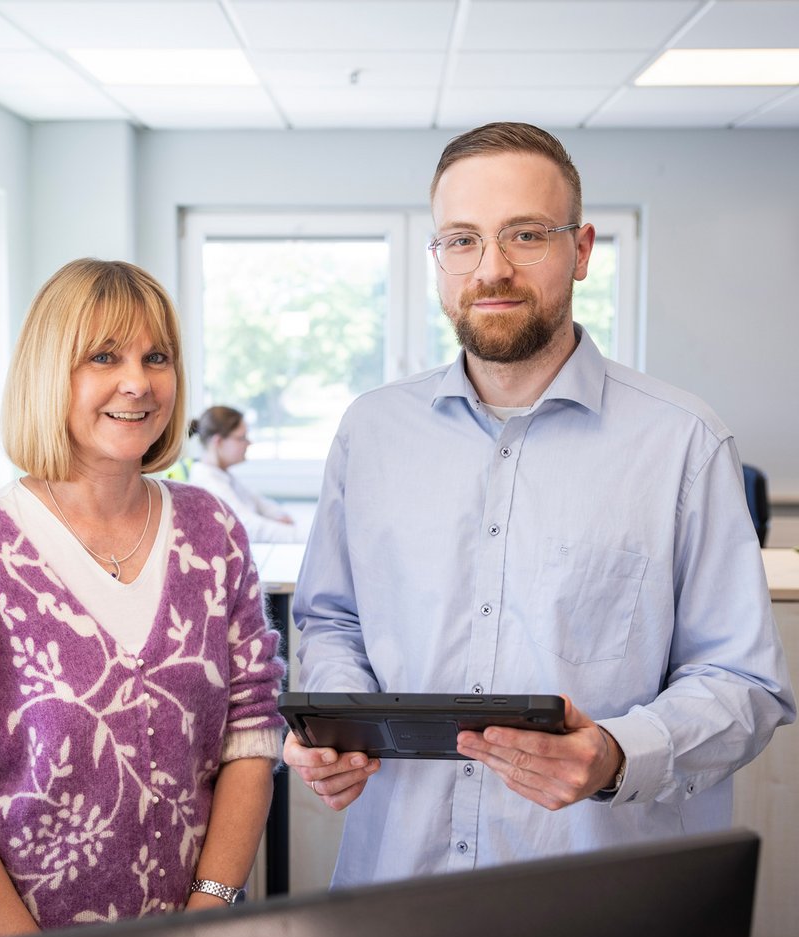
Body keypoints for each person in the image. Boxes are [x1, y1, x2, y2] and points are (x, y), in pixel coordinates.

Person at [284, 122, 795, 887]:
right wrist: (342, 719)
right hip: (397, 881)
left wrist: (623, 751)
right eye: (461, 240)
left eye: (525, 234)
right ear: (438, 257)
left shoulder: (683, 443)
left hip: (594, 899)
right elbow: (332, 618)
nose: (491, 269)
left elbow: (744, 682)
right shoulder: (371, 433)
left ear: (581, 250)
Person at [0, 259, 285, 937]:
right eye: (103, 356)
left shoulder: (212, 533)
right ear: (47, 374)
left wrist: (209, 908)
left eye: (157, 357)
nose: (138, 381)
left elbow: (250, 731)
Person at [188, 406, 303, 543]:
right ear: (218, 442)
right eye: (241, 438)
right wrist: (299, 535)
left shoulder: (222, 474)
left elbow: (258, 503)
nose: (249, 443)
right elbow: (247, 526)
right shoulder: (208, 483)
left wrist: (280, 516)